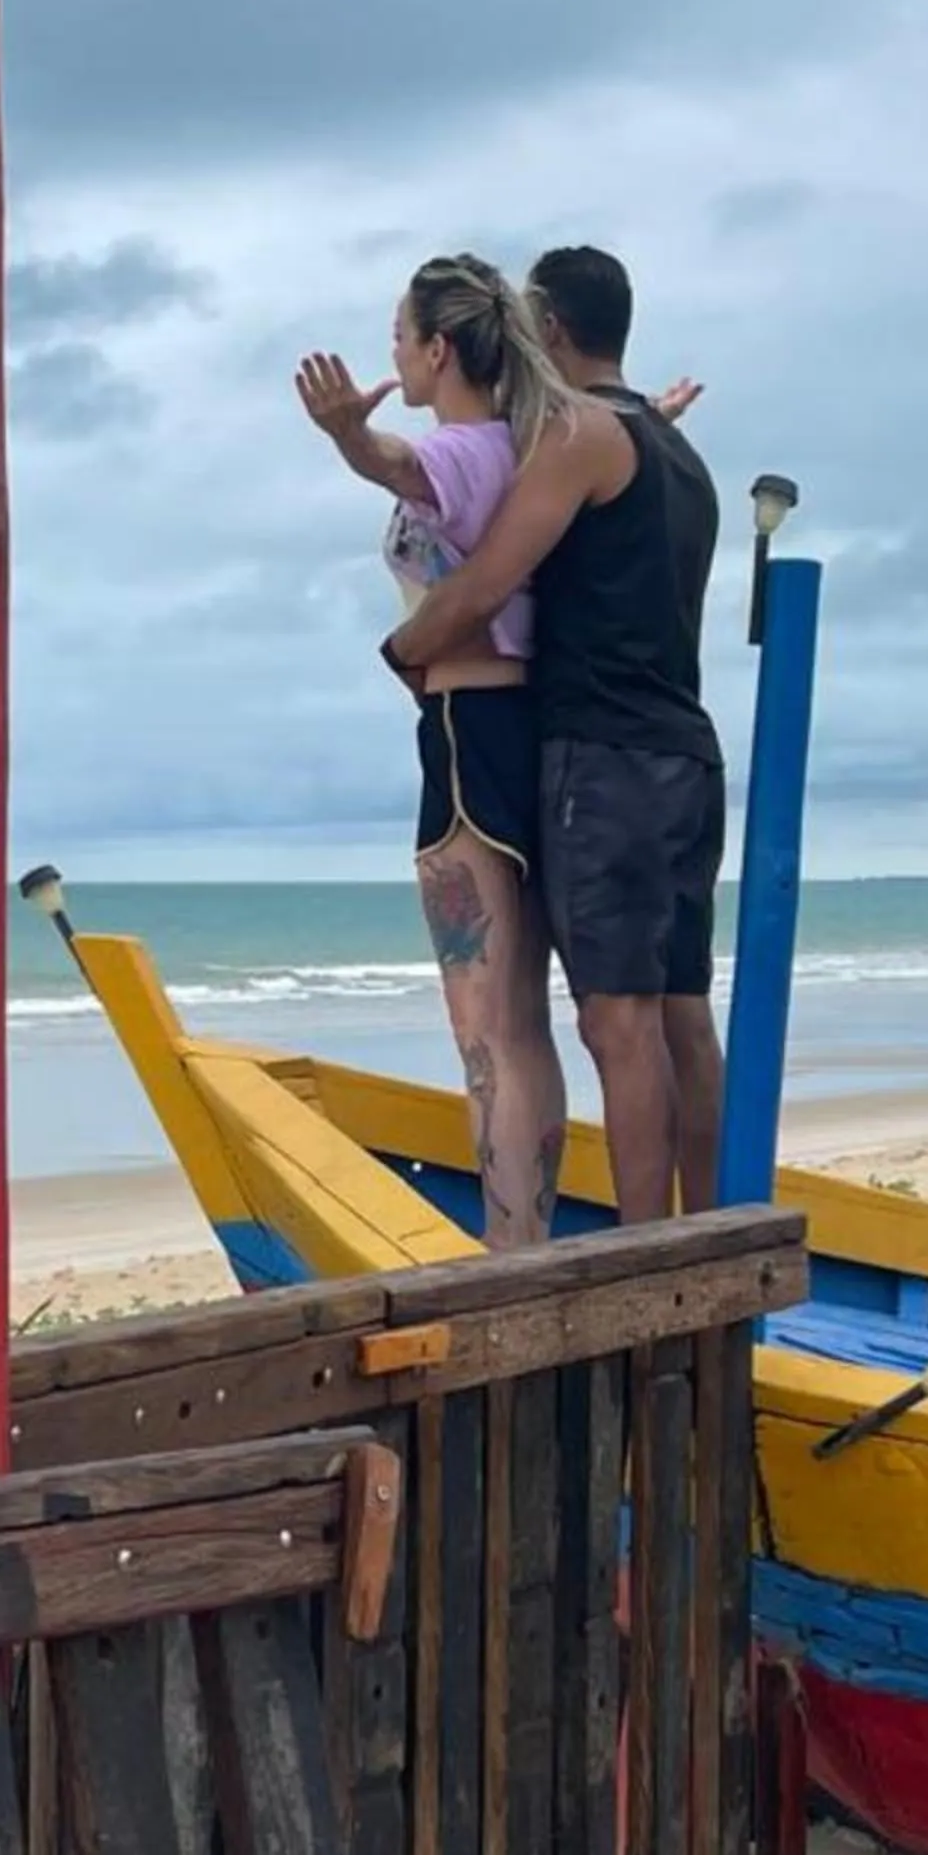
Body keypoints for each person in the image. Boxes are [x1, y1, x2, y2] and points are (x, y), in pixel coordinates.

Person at [382, 246, 725, 1225]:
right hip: (683, 750)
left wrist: (403, 650)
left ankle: (645, 1254)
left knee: (611, 1020)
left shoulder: (577, 434)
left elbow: (487, 580)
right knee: (678, 1014)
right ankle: (700, 1228)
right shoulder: (671, 447)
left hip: (601, 751)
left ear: (554, 332)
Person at [294, 253, 578, 1247]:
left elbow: (399, 464)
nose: (395, 360)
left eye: (400, 342)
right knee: (525, 1018)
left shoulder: (464, 450)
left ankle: (509, 1252)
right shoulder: (536, 442)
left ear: (440, 348)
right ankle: (526, 1235)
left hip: (466, 735)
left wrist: (344, 435)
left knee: (484, 1029)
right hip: (528, 733)